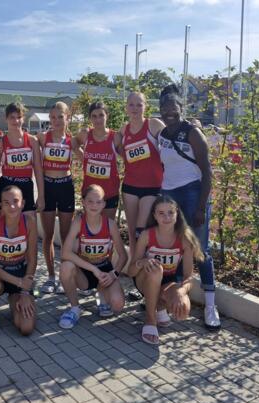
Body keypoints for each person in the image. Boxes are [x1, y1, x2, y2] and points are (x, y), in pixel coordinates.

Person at [157, 84, 221, 330]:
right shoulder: (162, 135)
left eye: (173, 108)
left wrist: (201, 206)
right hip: (169, 194)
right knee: (171, 247)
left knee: (200, 249)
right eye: (164, 108)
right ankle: (167, 298)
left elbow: (207, 172)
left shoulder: (193, 133)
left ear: (181, 109)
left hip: (193, 193)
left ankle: (210, 305)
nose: (168, 112)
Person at [128, 195, 204, 344]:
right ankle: (150, 320)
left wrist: (180, 292)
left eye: (170, 212)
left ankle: (160, 305)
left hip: (168, 282)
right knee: (156, 271)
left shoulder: (184, 238)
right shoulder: (146, 235)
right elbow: (131, 271)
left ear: (177, 214)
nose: (166, 217)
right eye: (161, 213)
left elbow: (189, 276)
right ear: (154, 216)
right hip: (145, 279)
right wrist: (142, 263)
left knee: (183, 310)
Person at [58, 185, 127, 329]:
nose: (94, 205)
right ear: (83, 202)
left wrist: (114, 274)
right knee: (66, 266)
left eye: (98, 201)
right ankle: (75, 308)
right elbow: (65, 252)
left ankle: (102, 294)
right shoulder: (78, 222)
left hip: (104, 271)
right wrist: (93, 269)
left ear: (104, 204)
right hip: (85, 271)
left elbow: (123, 256)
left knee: (118, 305)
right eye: (90, 201)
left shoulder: (111, 224)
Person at [0, 186, 38, 335]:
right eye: (6, 202)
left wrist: (25, 292)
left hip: (20, 275)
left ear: (23, 203)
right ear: (1, 205)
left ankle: (14, 300)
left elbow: (32, 259)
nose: (12, 206)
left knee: (26, 328)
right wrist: (19, 282)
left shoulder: (30, 222)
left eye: (15, 201)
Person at [37, 101, 82, 294]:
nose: (56, 121)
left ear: (68, 118)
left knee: (66, 236)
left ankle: (65, 276)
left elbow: (86, 158)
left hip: (65, 187)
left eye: (60, 117)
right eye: (53, 117)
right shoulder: (42, 137)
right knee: (47, 236)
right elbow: (21, 140)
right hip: (47, 187)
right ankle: (51, 277)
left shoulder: (71, 141)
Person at [118, 92, 165, 256]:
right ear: (126, 107)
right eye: (131, 104)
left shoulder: (154, 125)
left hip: (152, 187)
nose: (135, 108)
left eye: (139, 104)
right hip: (130, 186)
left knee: (141, 229)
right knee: (131, 231)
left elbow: (171, 143)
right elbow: (117, 151)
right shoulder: (123, 130)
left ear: (146, 107)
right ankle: (134, 263)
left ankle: (142, 265)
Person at [0, 102, 44, 219]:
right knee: (6, 229)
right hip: (6, 187)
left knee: (30, 226)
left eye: (19, 117)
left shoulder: (32, 141)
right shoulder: (0, 142)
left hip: (26, 186)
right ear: (6, 119)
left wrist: (41, 196)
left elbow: (38, 171)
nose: (16, 121)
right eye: (12, 117)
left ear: (23, 118)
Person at [76, 102, 121, 220]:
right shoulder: (85, 135)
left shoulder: (115, 137)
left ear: (107, 116)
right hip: (90, 193)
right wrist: (83, 158)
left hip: (110, 192)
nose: (98, 119)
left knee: (108, 228)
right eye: (94, 116)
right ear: (90, 118)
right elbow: (73, 143)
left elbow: (128, 158)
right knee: (91, 228)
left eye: (101, 115)